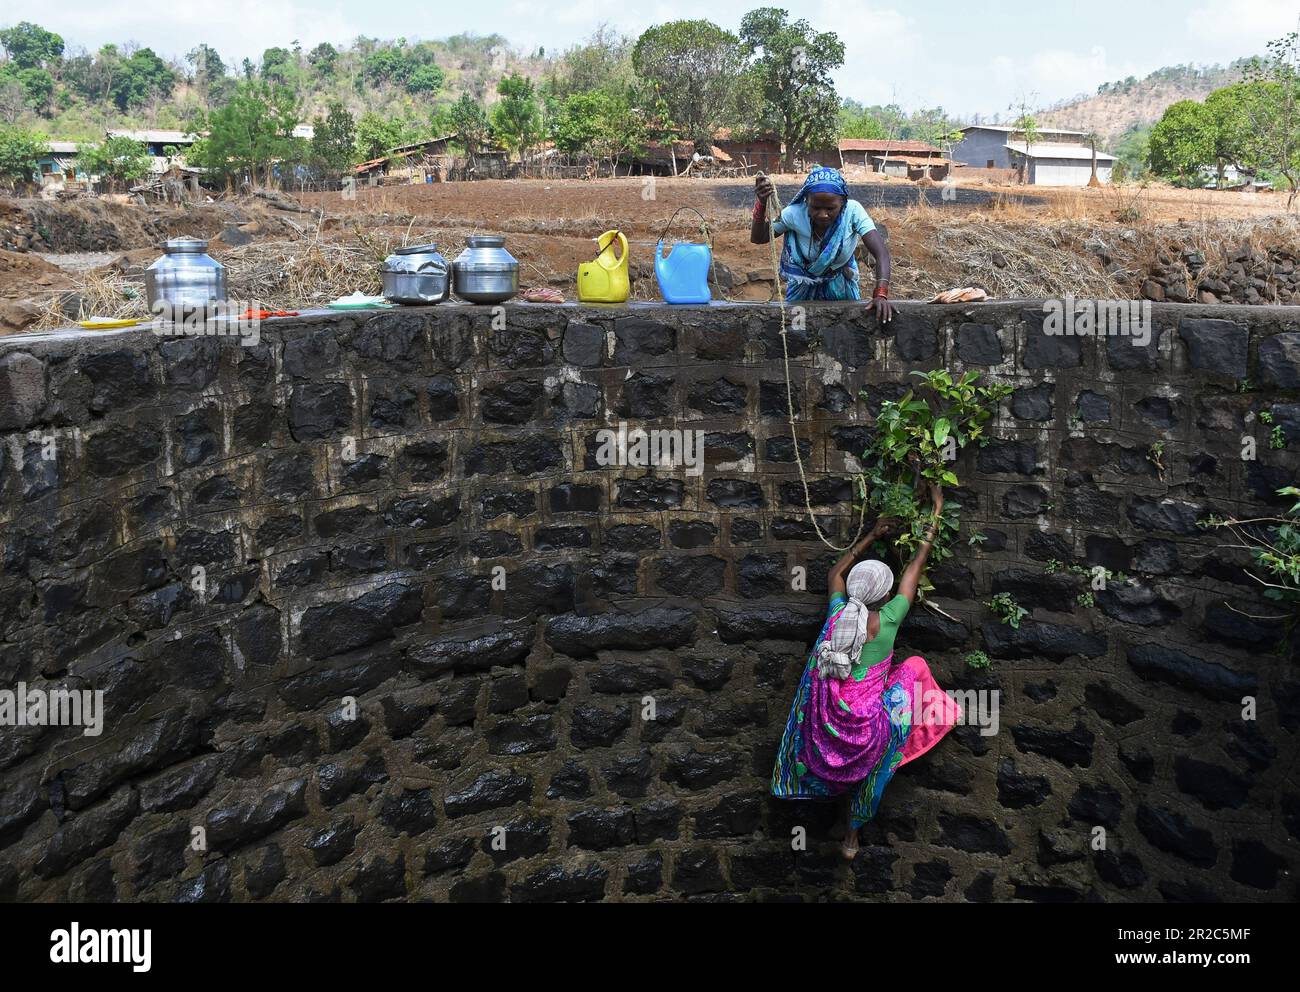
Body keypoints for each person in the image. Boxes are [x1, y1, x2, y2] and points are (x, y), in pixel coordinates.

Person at [769, 480, 963, 860]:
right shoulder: (889, 619)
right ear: (885, 596)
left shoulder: (839, 613)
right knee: (914, 669)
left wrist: (871, 536)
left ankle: (831, 800)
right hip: (868, 728)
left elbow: (834, 575)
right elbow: (916, 564)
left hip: (829, 724)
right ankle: (852, 837)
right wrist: (936, 510)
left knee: (852, 760)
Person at [750, 165, 893, 321]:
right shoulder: (794, 214)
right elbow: (759, 237)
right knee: (798, 334)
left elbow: (881, 253)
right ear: (806, 201)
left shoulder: (853, 212)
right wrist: (762, 203)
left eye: (831, 208)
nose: (823, 214)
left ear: (843, 202)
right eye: (816, 207)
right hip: (802, 290)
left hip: (841, 288)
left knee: (844, 335)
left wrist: (881, 294)